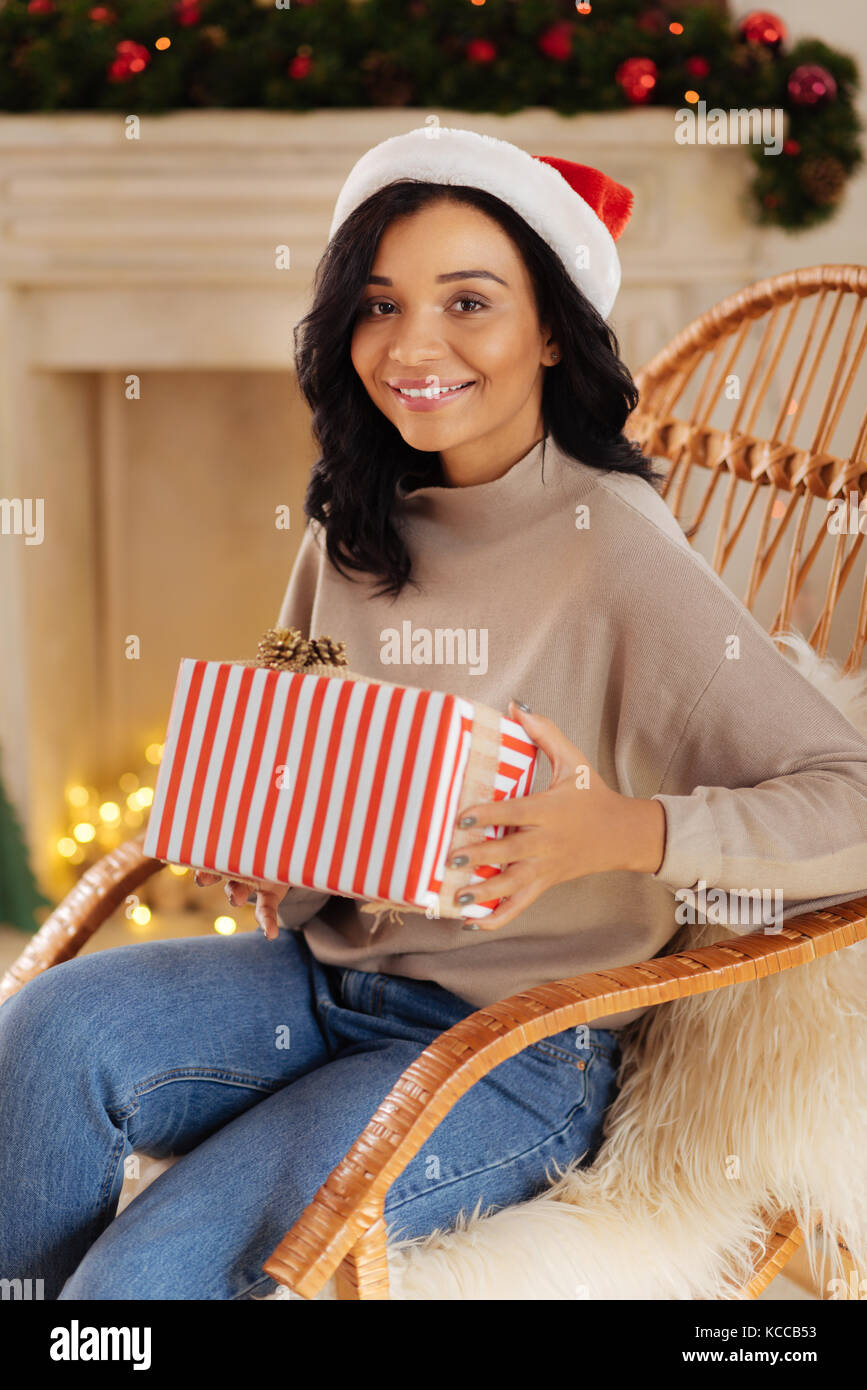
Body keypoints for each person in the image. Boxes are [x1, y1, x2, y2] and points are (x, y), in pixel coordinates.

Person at [2, 128, 866, 1302]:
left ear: (550, 329)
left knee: (144, 1280)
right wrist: (271, 849)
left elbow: (849, 796)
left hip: (512, 1053)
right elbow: (305, 784)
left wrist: (619, 833)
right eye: (379, 302)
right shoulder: (351, 526)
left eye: (471, 301)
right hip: (311, 984)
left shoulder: (615, 549)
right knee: (46, 1030)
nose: (413, 345)